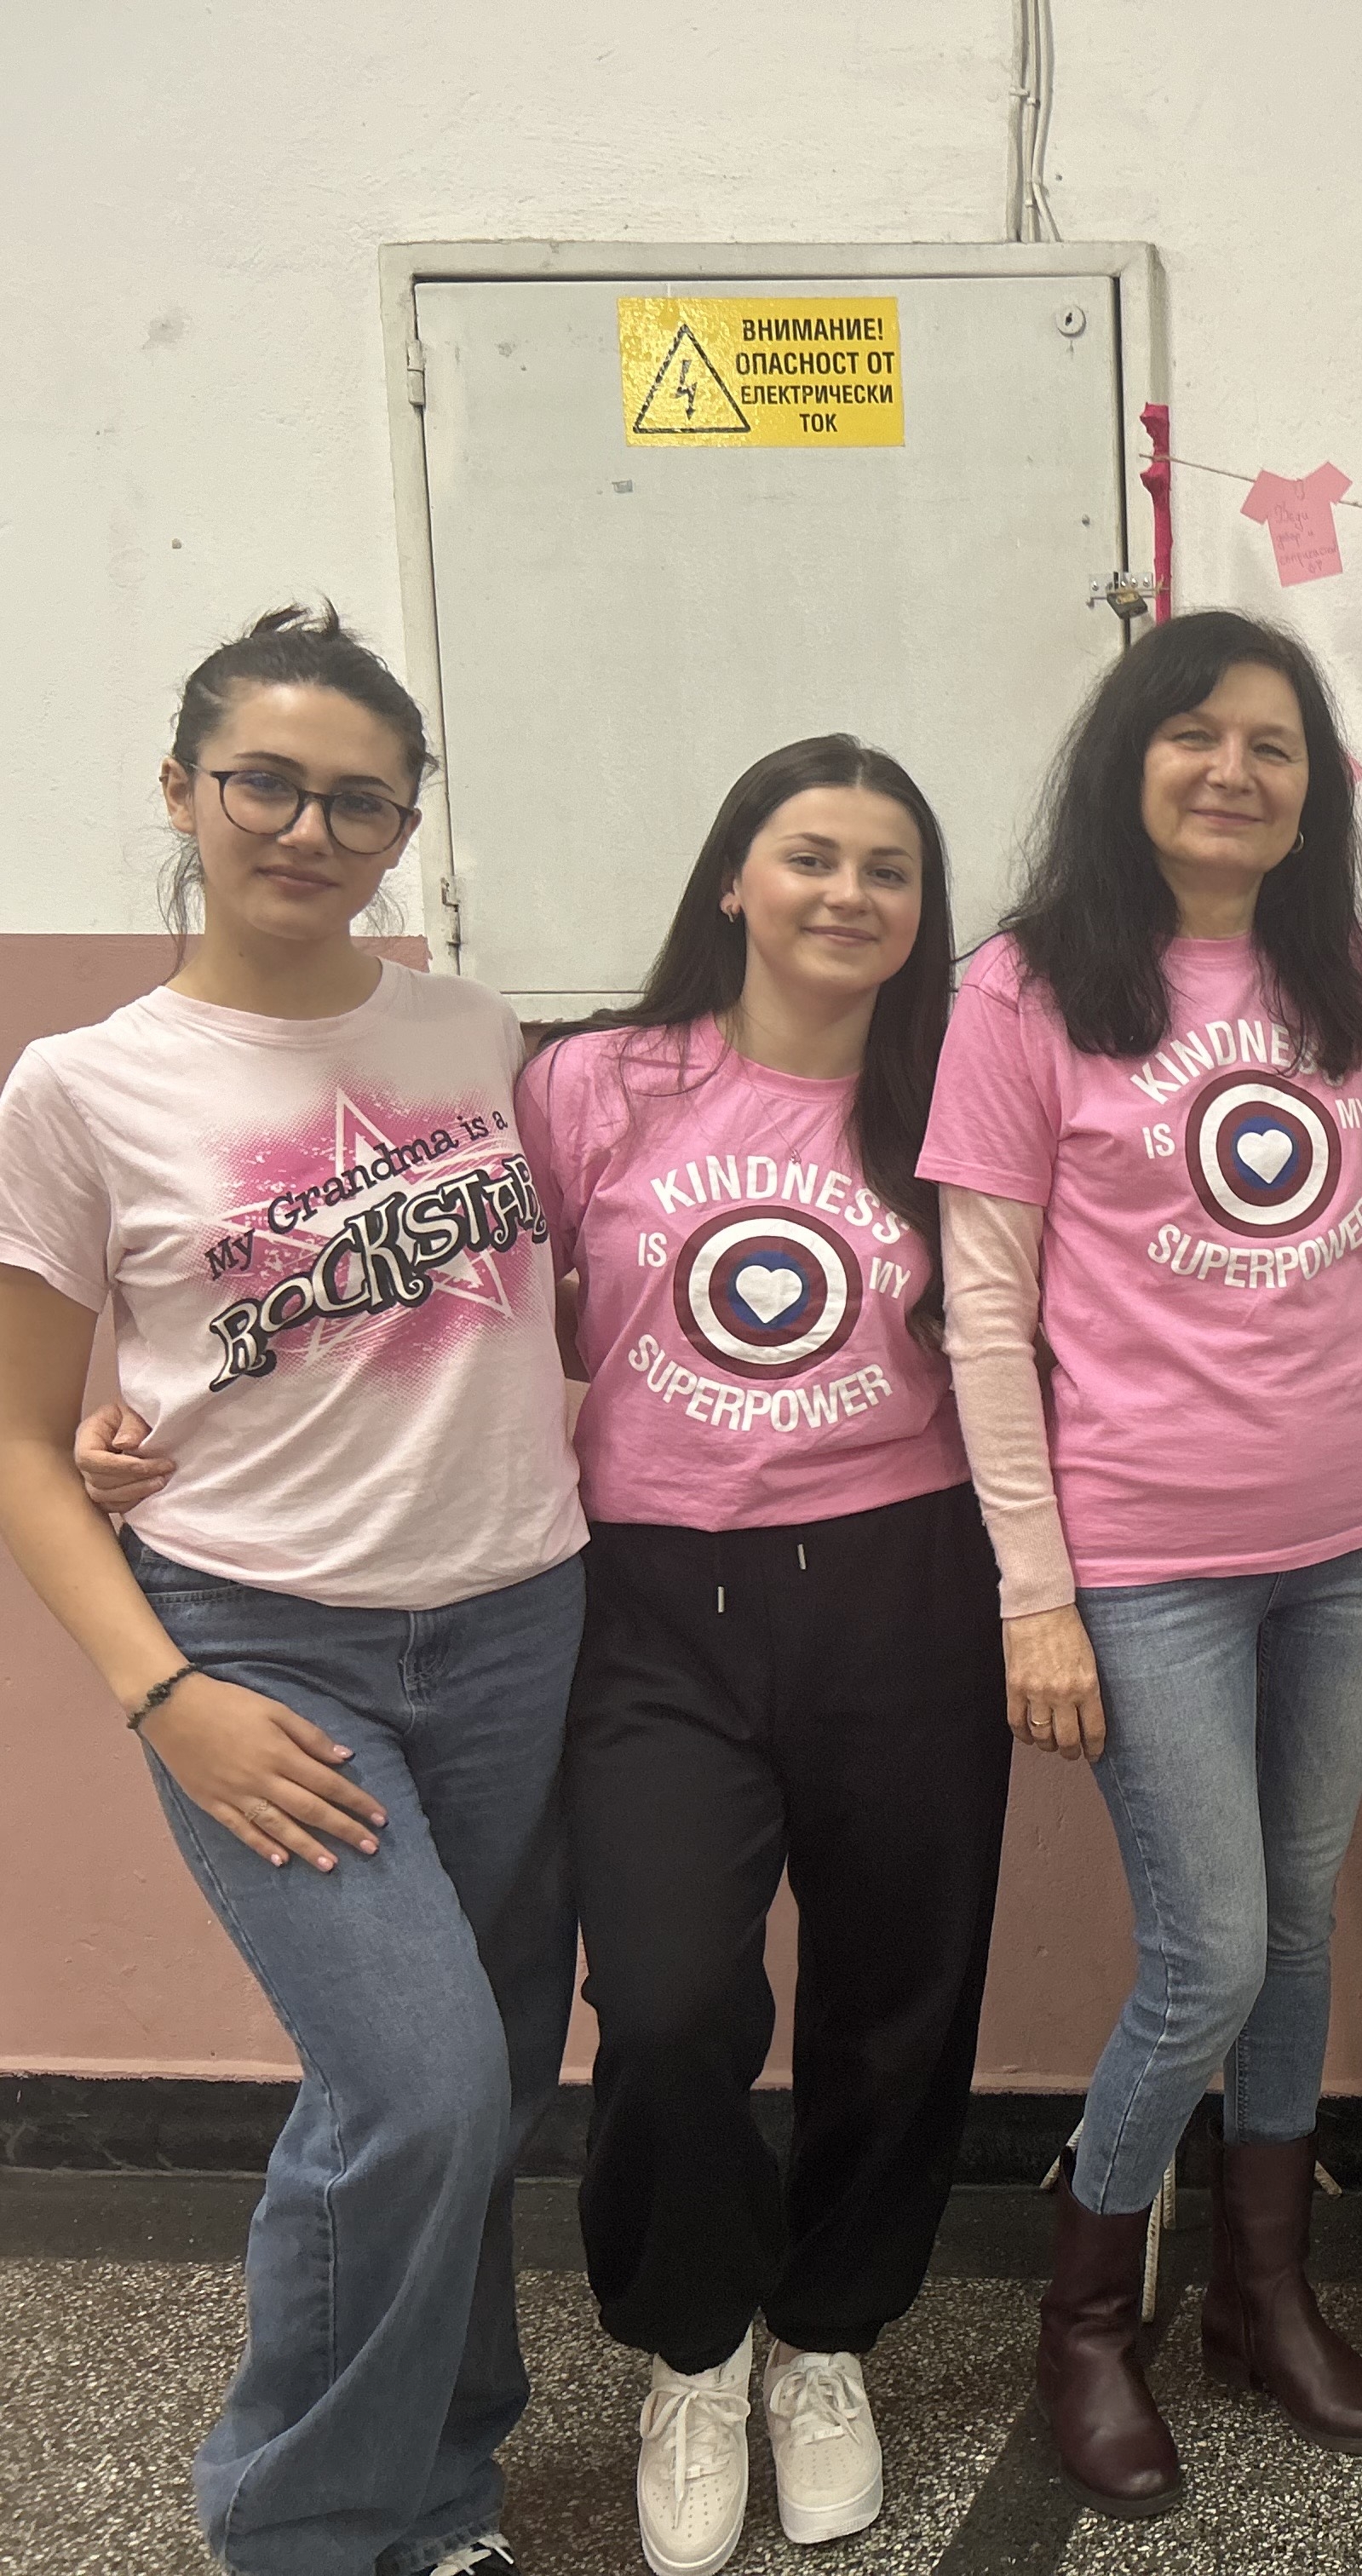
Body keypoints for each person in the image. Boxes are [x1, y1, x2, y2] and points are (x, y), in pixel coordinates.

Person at [0, 608, 585, 2576]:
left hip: (521, 1623)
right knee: (415, 2090)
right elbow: (19, 1439)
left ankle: (444, 2485)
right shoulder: (83, 1089)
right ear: (182, 790)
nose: (309, 830)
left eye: (360, 801)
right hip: (262, 1650)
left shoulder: (471, 1030)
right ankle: (304, 2527)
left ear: (406, 826)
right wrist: (165, 1694)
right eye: (266, 784)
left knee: (488, 2088)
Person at [920, 610, 1362, 2516]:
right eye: (1194, 735)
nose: (1234, 770)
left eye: (1274, 746)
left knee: (1292, 1924)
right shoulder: (1022, 990)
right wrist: (1033, 1592)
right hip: (1145, 1554)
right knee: (1212, 1944)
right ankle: (1088, 2317)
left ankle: (1262, 2295)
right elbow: (985, 1315)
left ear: (1314, 794)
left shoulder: (1348, 979)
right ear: (1126, 760)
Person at [517, 737, 1003, 2573]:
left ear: (922, 911)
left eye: (888, 868)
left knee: (901, 1996)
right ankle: (696, 2341)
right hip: (654, 1600)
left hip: (902, 1581)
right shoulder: (596, 1082)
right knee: (664, 2000)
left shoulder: (951, 1090)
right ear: (734, 873)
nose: (847, 894)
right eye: (811, 855)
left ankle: (826, 2336)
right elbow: (473, 1320)